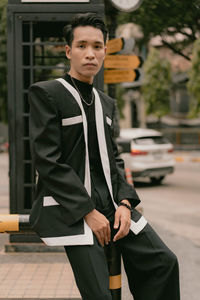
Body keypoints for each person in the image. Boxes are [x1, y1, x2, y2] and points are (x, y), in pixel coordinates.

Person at [29, 13, 180, 300]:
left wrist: (125, 202)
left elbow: (115, 159)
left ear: (105, 51)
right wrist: (87, 211)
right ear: (68, 51)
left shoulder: (106, 102)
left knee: (164, 262)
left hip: (113, 208)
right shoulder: (47, 94)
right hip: (72, 209)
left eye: (97, 46)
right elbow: (47, 160)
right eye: (82, 45)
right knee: (100, 294)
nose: (90, 54)